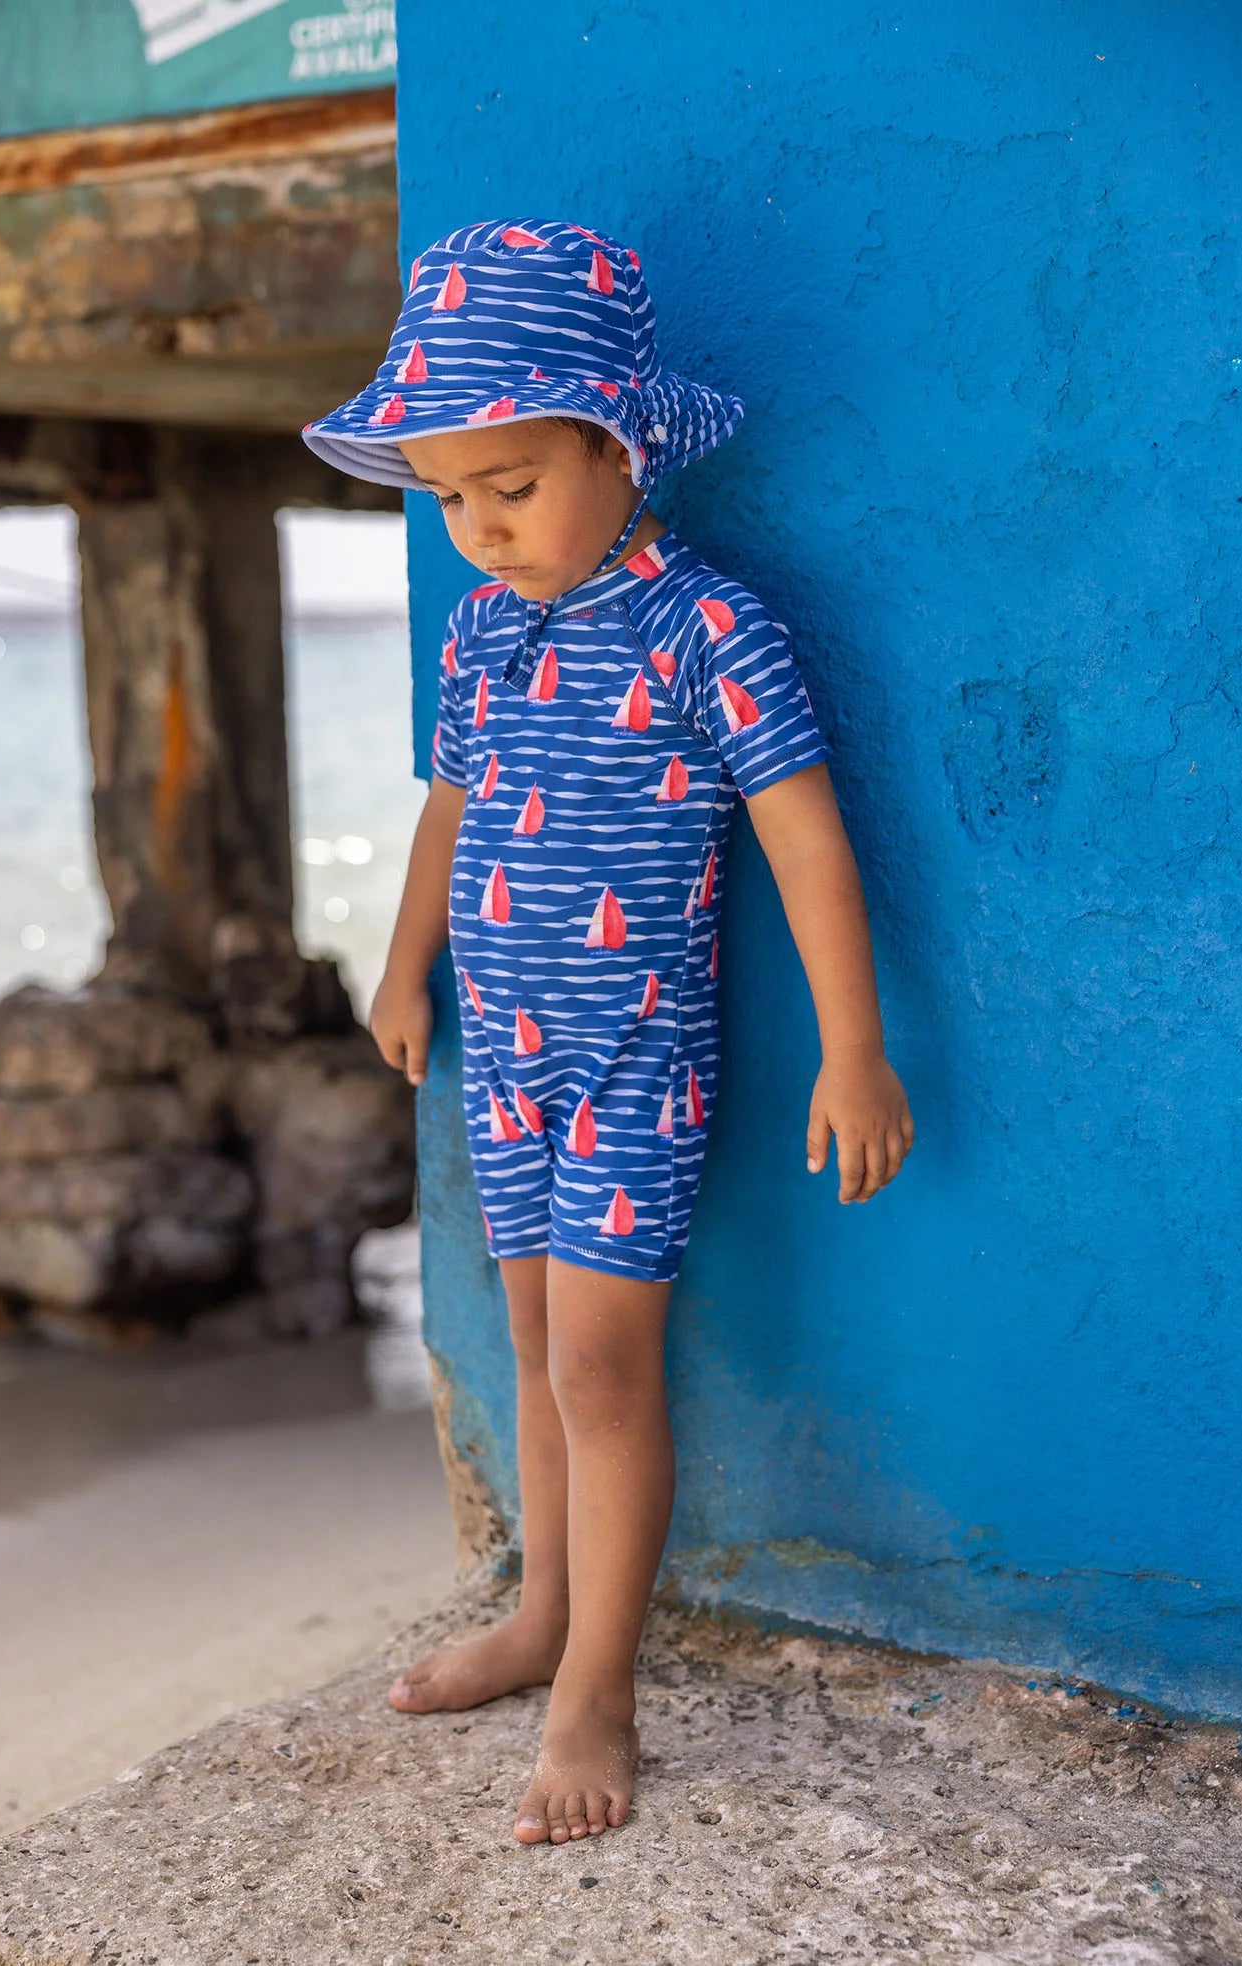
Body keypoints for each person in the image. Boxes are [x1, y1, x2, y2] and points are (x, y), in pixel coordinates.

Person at [301, 218, 915, 1847]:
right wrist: (403, 960)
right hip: (498, 1052)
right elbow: (448, 808)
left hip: (632, 1061)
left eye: (510, 484)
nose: (478, 528)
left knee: (600, 1365)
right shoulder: (483, 632)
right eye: (446, 499)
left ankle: (598, 1689)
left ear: (616, 445)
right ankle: (538, 1611)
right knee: (523, 1349)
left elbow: (806, 844)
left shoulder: (712, 629)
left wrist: (856, 1049)